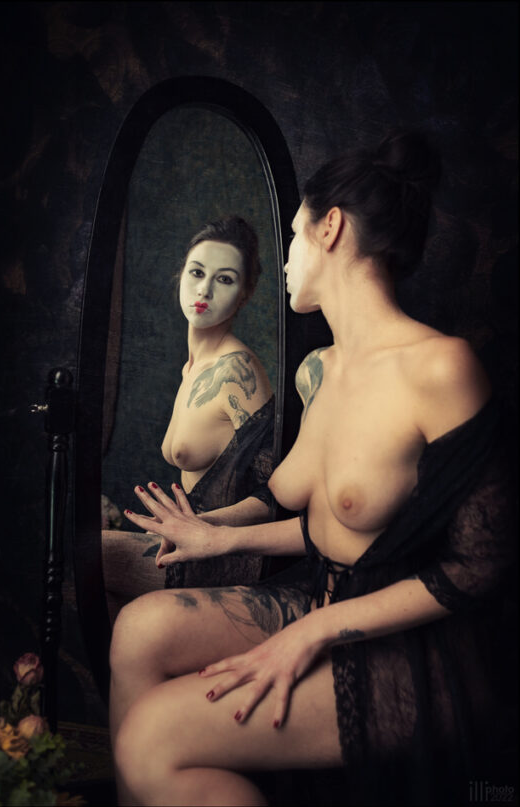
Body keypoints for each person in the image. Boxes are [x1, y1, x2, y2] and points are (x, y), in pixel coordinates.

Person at [110, 131, 515, 806]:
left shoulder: (440, 368)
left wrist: (313, 630)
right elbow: (329, 523)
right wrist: (217, 537)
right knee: (137, 630)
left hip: (403, 647)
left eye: (294, 235)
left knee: (151, 737)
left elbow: (481, 566)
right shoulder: (321, 369)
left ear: (330, 227)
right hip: (317, 599)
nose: (286, 260)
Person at [102, 217, 276, 621]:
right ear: (180, 275)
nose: (204, 290)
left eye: (225, 279)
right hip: (190, 543)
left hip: (225, 556)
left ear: (246, 294)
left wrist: (198, 525)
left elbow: (276, 494)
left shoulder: (236, 372)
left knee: (81, 556)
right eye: (197, 272)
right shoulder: (192, 368)